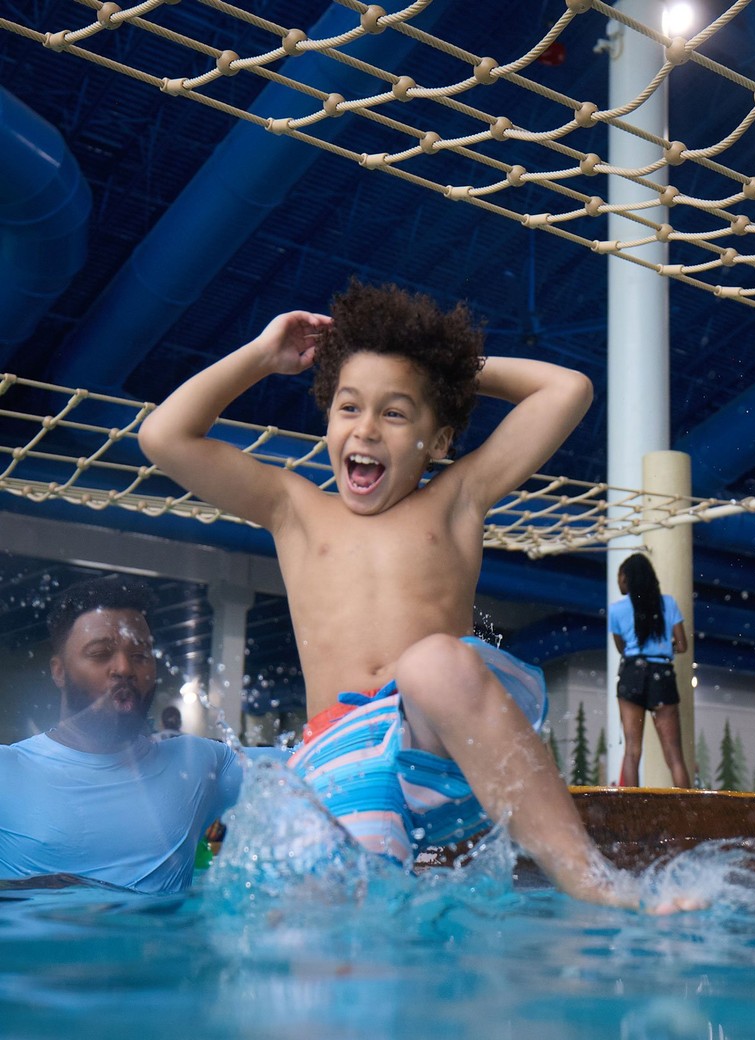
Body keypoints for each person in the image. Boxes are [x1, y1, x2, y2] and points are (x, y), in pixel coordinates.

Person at [139, 280, 698, 912]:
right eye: (349, 407)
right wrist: (261, 357)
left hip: (439, 737)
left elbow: (568, 390)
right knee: (347, 923)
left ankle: (590, 877)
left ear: (439, 441)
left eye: (396, 413)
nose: (366, 429)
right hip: (340, 753)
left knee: (432, 662)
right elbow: (164, 437)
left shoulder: (456, 499)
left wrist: (447, 372)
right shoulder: (294, 508)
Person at [0, 576, 242, 893]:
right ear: (59, 671)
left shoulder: (198, 763)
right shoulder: (7, 771)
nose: (124, 669)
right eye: (101, 654)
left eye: (140, 656)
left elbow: (305, 766)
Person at [609, 553, 691, 789]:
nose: (619, 582)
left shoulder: (616, 610)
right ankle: (687, 807)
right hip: (661, 675)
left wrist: (639, 650)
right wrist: (663, 648)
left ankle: (633, 809)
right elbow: (682, 645)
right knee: (674, 755)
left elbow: (621, 648)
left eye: (620, 577)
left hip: (632, 673)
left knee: (632, 751)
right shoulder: (668, 604)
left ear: (627, 578)